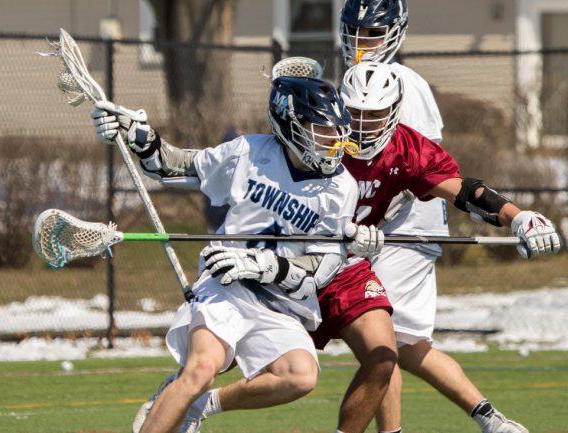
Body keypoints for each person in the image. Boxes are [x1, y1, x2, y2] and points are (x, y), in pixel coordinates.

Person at [199, 60, 560, 433]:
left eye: (375, 114)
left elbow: (465, 192)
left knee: (384, 355)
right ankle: (190, 402)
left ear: (395, 110)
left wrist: (517, 216)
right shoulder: (320, 136)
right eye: (354, 112)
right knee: (222, 355)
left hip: (346, 269)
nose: (363, 123)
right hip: (290, 265)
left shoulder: (407, 149)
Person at [91, 76, 374, 433]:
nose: (334, 143)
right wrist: (141, 138)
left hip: (279, 301)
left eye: (337, 133)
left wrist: (266, 266)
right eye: (322, 132)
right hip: (226, 283)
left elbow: (321, 267)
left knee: (300, 375)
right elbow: (177, 166)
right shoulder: (248, 153)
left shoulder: (341, 187)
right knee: (201, 369)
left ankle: (201, 405)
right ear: (290, 124)